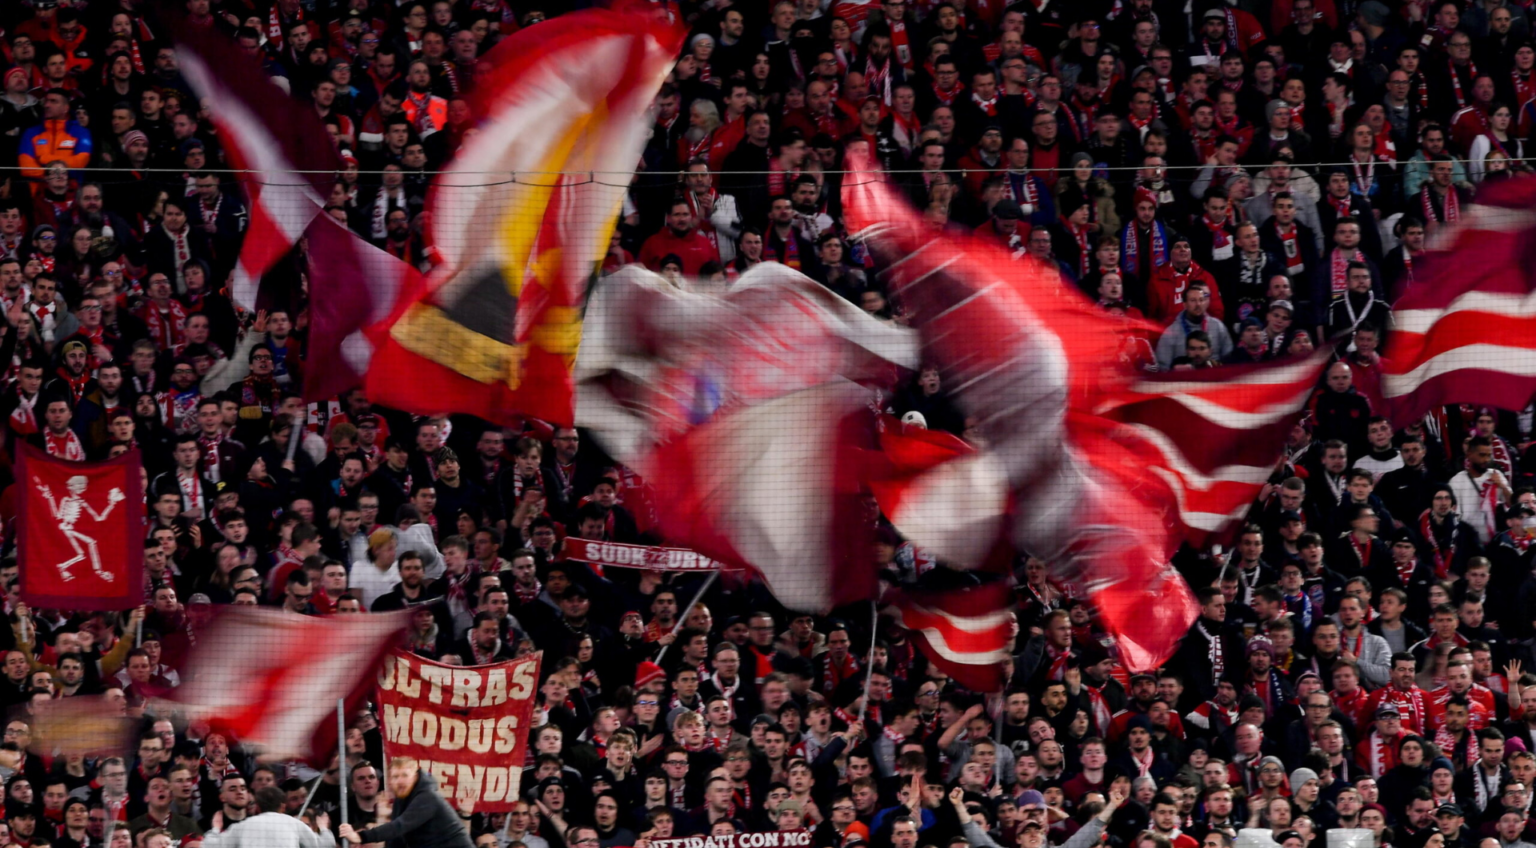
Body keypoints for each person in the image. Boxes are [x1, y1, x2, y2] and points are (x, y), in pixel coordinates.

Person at [338, 758, 471, 848]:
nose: (400, 781)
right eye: (396, 777)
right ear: (389, 781)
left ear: (415, 777)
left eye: (405, 776)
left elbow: (399, 826)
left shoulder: (428, 797)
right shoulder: (401, 802)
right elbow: (395, 840)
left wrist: (359, 836)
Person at [201, 786, 329, 848]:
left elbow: (210, 845)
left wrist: (216, 829)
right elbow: (325, 844)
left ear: (257, 807)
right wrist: (323, 827)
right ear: (283, 807)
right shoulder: (294, 824)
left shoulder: (243, 826)